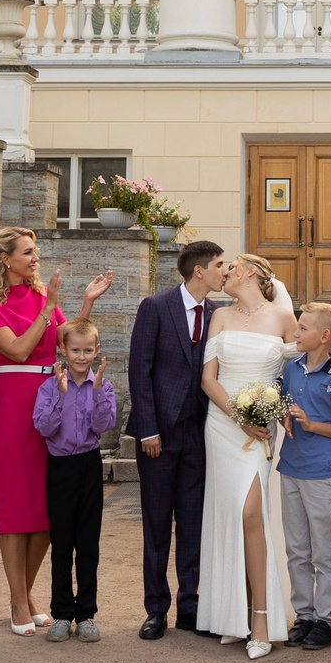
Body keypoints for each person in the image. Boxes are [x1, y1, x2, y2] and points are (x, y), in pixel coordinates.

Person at [0, 225, 112, 635]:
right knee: (17, 508)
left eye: (36, 252)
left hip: (55, 399)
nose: (35, 258)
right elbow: (16, 349)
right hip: (14, 402)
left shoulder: (40, 297)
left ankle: (26, 594)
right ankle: (20, 601)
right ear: (6, 258)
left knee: (48, 511)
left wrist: (84, 304)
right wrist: (48, 306)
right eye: (28, 252)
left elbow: (68, 342)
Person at [200, 249, 297, 657]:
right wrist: (237, 415)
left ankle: (261, 617)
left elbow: (302, 367)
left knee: (250, 512)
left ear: (254, 272)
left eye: (232, 266)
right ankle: (234, 614)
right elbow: (208, 378)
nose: (225, 272)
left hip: (261, 427)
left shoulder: (283, 318)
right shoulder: (219, 316)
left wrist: (281, 409)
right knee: (230, 517)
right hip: (224, 424)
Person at [129, 241, 224, 640]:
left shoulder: (220, 313)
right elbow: (140, 369)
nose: (226, 271)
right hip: (159, 435)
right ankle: (156, 610)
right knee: (156, 524)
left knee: (192, 523)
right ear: (199, 271)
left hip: (200, 433)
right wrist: (148, 429)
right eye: (220, 265)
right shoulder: (155, 306)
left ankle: (190, 606)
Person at [277, 301, 331, 651]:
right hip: (289, 468)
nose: (296, 333)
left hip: (321, 472)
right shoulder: (291, 368)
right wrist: (284, 416)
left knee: (324, 549)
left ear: (324, 336)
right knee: (296, 548)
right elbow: (281, 401)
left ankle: (327, 620)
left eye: (304, 328)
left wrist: (312, 425)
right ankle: (304, 615)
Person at [31, 316, 115, 643]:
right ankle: (63, 612)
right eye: (75, 350)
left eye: (88, 350)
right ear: (63, 349)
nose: (81, 357)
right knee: (62, 543)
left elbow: (103, 424)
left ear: (96, 352)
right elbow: (44, 427)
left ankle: (87, 613)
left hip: (89, 465)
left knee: (88, 544)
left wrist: (95, 392)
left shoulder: (102, 385)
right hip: (60, 467)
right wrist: (63, 395)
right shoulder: (50, 387)